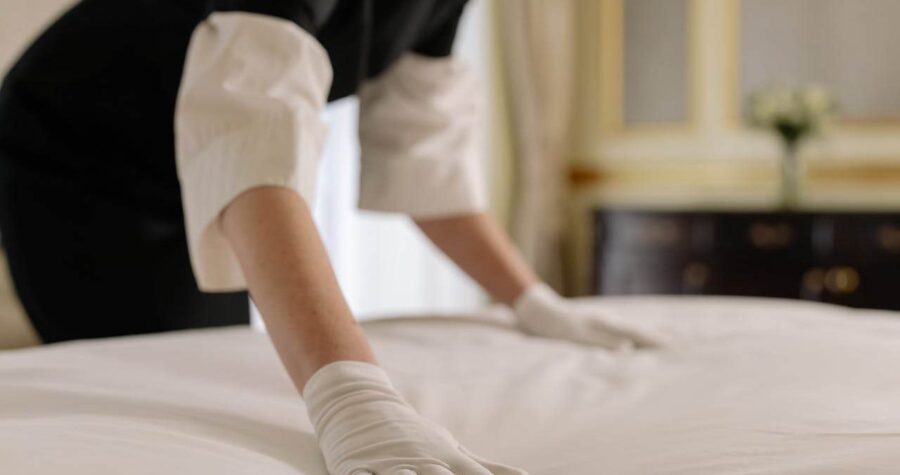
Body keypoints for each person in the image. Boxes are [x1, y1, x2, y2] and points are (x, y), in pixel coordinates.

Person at [0, 0, 666, 472]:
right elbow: (249, 148)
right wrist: (354, 397)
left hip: (188, 166)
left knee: (202, 365)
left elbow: (425, 161)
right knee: (149, 384)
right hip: (80, 162)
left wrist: (532, 299)